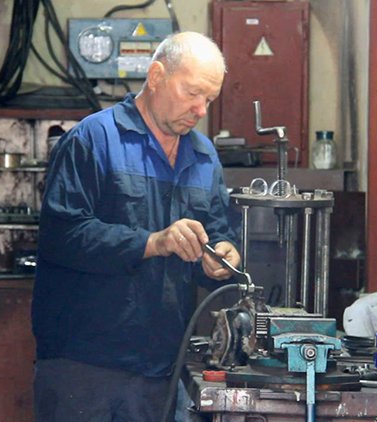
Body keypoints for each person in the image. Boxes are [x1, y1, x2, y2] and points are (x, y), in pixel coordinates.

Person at [31, 31, 241, 421]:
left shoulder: (203, 156)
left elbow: (217, 231)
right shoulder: (93, 140)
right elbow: (62, 236)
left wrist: (222, 256)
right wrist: (153, 242)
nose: (200, 109)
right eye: (192, 93)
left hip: (161, 366)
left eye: (209, 99)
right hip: (84, 364)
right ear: (156, 76)